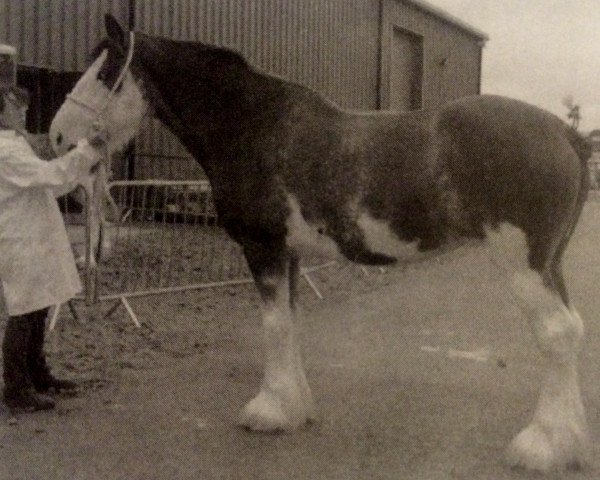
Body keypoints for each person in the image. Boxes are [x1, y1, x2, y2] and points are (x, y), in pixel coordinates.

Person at [0, 85, 107, 412]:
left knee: (38, 306)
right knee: (24, 311)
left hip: (32, 236)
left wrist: (83, 164)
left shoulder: (15, 145)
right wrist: (86, 151)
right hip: (19, 238)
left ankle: (38, 374)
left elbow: (55, 182)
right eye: (13, 107)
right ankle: (16, 388)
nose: (22, 112)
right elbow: (49, 173)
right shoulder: (4, 151)